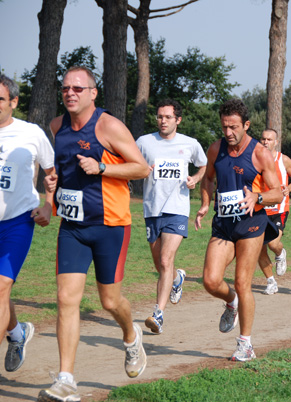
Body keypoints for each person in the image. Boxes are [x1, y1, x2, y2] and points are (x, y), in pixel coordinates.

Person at [39, 66, 150, 402]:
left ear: (92, 93)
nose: (70, 93)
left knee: (109, 301)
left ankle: (131, 336)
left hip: (110, 226)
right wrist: (49, 196)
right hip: (72, 227)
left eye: (77, 88)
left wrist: (103, 168)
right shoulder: (57, 127)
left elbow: (143, 167)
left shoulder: (108, 126)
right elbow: (55, 171)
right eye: (65, 89)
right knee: (65, 299)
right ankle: (66, 380)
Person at [194, 99, 282, 362]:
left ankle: (246, 344)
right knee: (210, 280)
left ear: (246, 125)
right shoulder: (215, 149)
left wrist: (258, 197)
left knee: (243, 282)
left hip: (251, 224)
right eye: (224, 127)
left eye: (234, 127)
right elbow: (208, 178)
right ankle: (231, 302)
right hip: (223, 223)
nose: (228, 133)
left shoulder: (260, 154)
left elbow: (277, 192)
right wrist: (206, 203)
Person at [136, 99, 207, 334]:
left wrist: (195, 179)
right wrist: (139, 171)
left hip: (177, 209)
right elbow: (132, 164)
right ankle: (177, 279)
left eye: (167, 117)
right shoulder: (144, 142)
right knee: (160, 263)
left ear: (178, 119)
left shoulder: (190, 144)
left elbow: (204, 166)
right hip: (151, 209)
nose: (162, 120)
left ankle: (158, 314)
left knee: (166, 259)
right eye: (159, 116)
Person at [0, 75, 55, 373]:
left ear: (13, 102)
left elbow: (52, 171)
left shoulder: (31, 133)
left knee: (1, 286)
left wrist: (49, 204)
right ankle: (17, 334)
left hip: (18, 221)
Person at [257, 129, 291, 295]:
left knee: (273, 243)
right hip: (259, 209)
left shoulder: (283, 160)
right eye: (263, 139)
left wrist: (288, 188)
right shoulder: (254, 159)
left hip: (278, 209)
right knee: (259, 249)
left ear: (276, 142)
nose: (265, 142)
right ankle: (271, 282)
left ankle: (280, 252)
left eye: (269, 139)